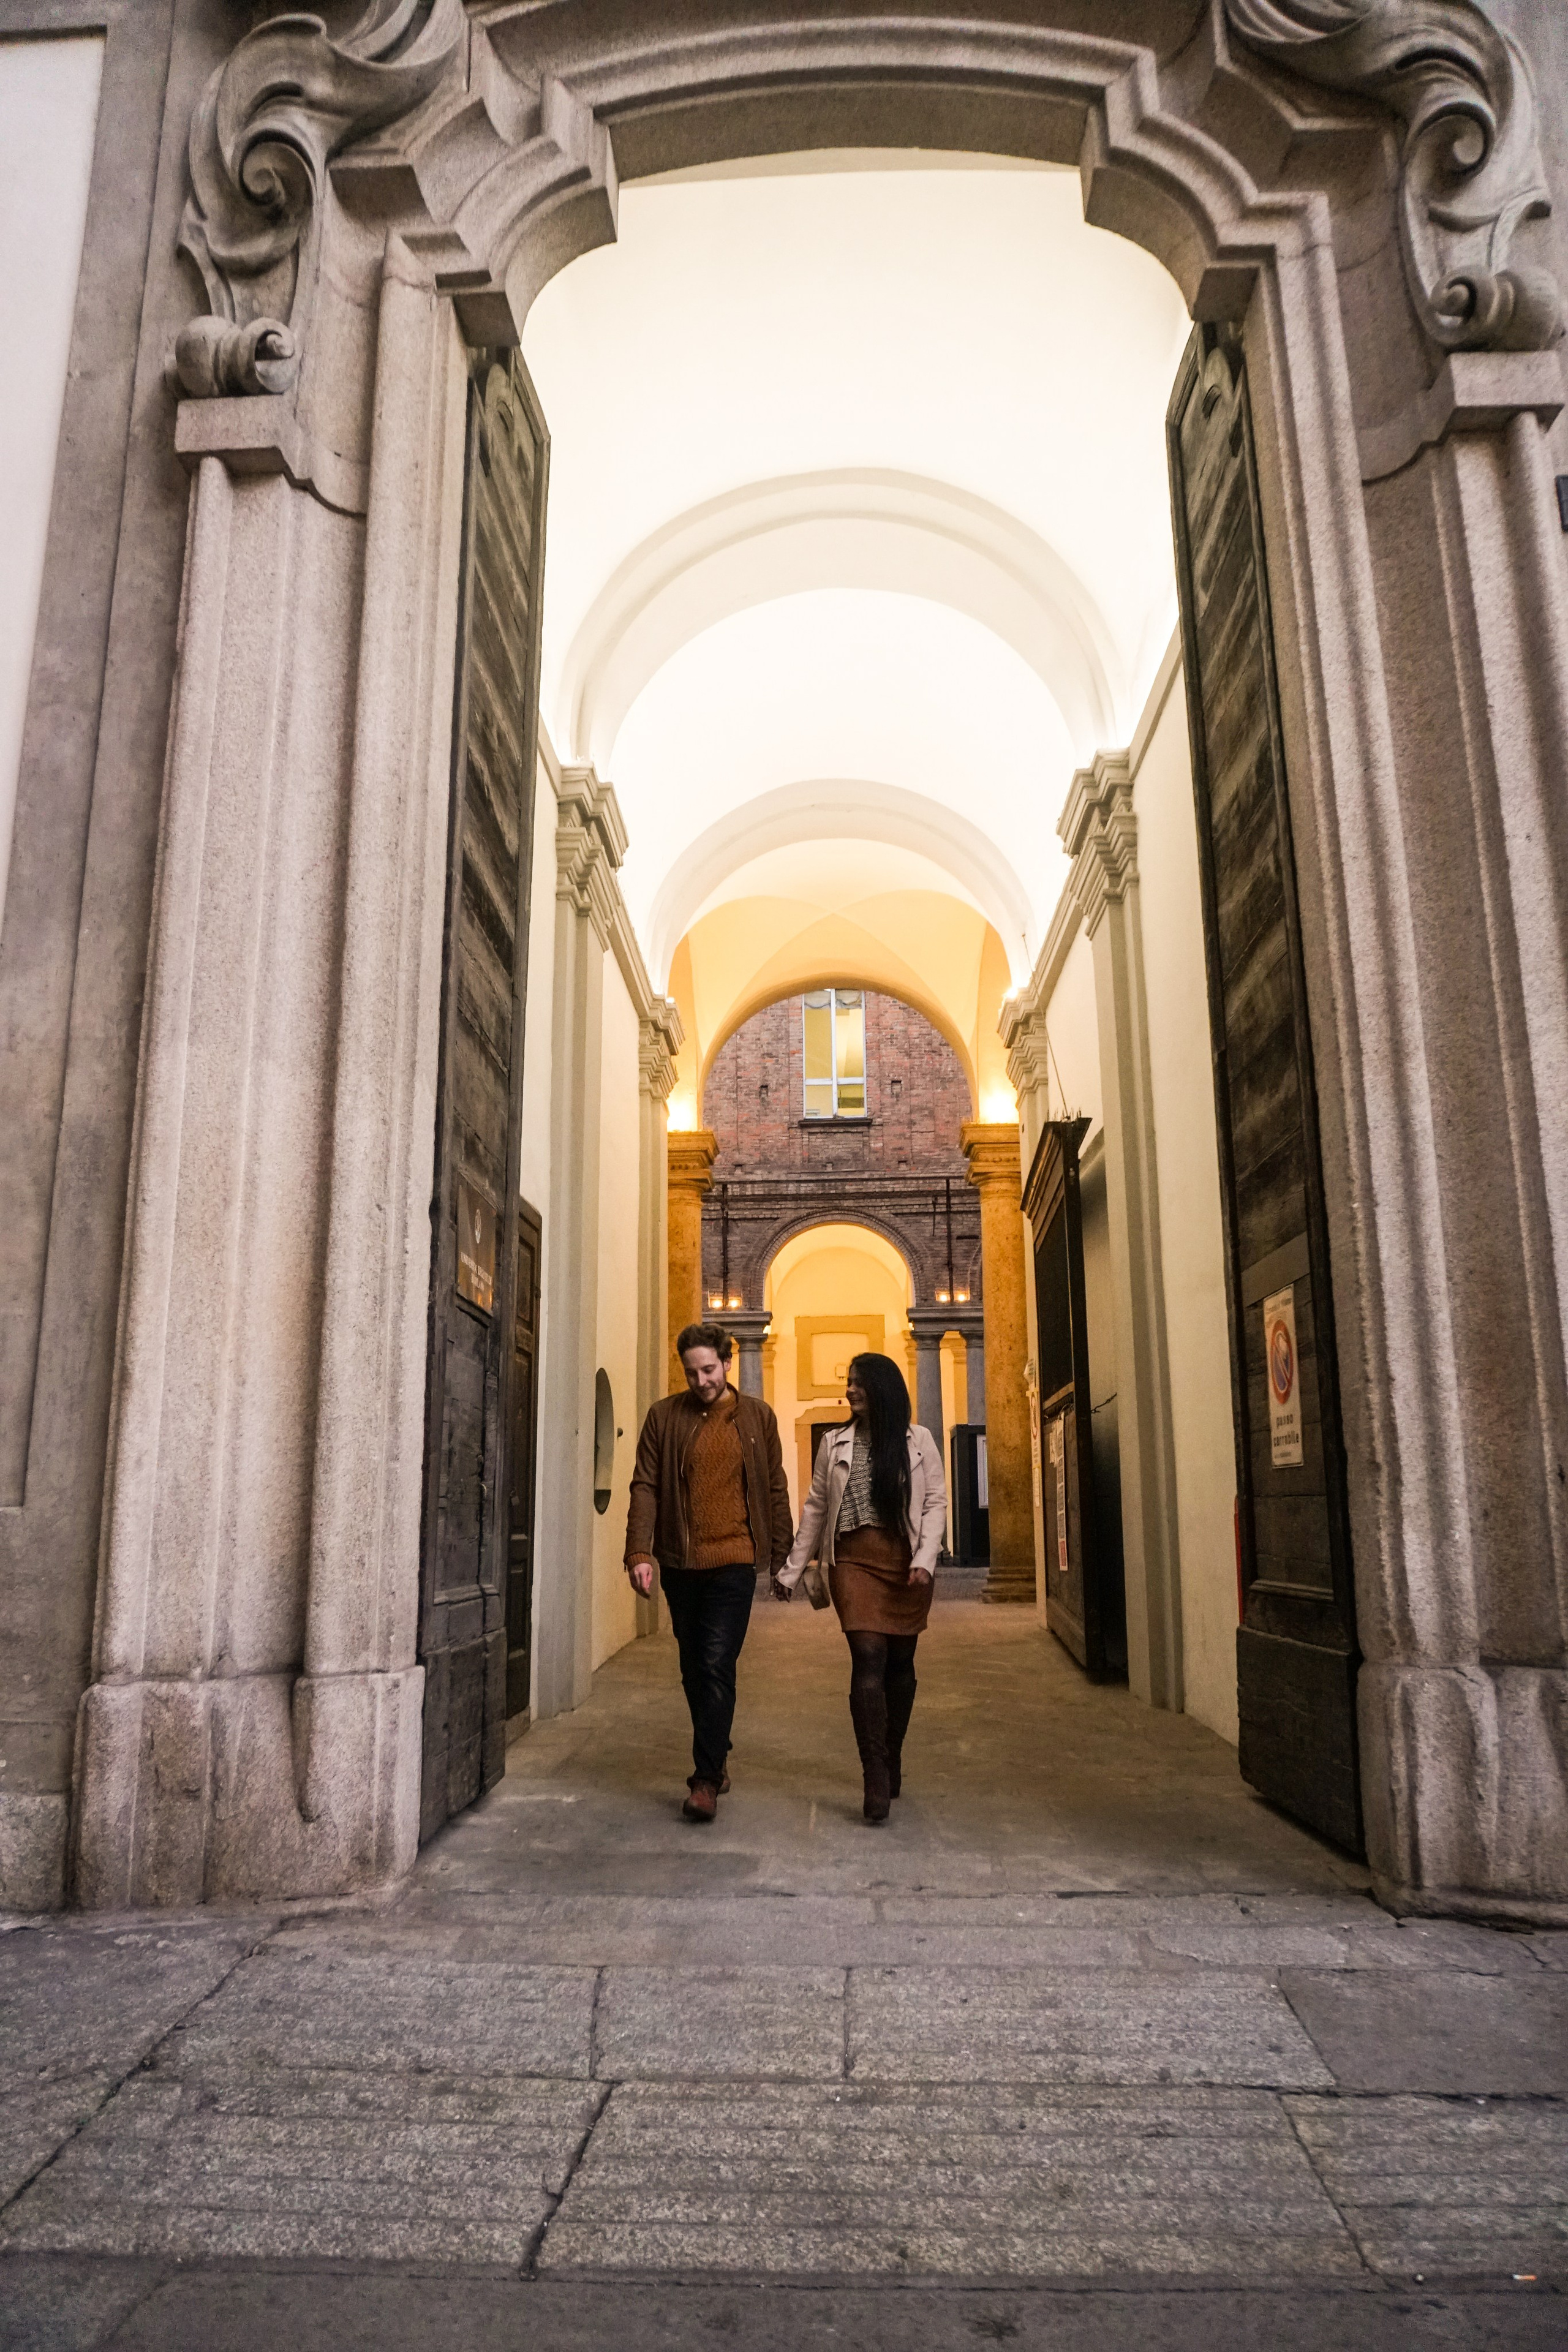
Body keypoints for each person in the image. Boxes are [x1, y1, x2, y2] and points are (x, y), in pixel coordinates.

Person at [624, 1322, 794, 1822]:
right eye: (692, 1372)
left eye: (709, 1370)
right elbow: (645, 1486)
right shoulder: (663, 1417)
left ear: (727, 1363)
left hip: (735, 1561)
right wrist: (639, 1552)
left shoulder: (758, 1417)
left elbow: (776, 1489)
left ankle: (705, 1779)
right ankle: (717, 1753)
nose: (702, 1381)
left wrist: (782, 1557)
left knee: (717, 1662)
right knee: (693, 1667)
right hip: (681, 1562)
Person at [774, 1352, 946, 1823]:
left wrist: (926, 1560)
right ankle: (874, 1773)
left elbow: (935, 1502)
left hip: (905, 1562)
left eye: (858, 1383)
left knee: (901, 1664)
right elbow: (815, 1509)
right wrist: (791, 1570)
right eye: (848, 1383)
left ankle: (892, 1754)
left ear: (883, 1387)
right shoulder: (833, 1443)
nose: (849, 1390)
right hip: (852, 1561)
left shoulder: (919, 1441)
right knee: (868, 1655)